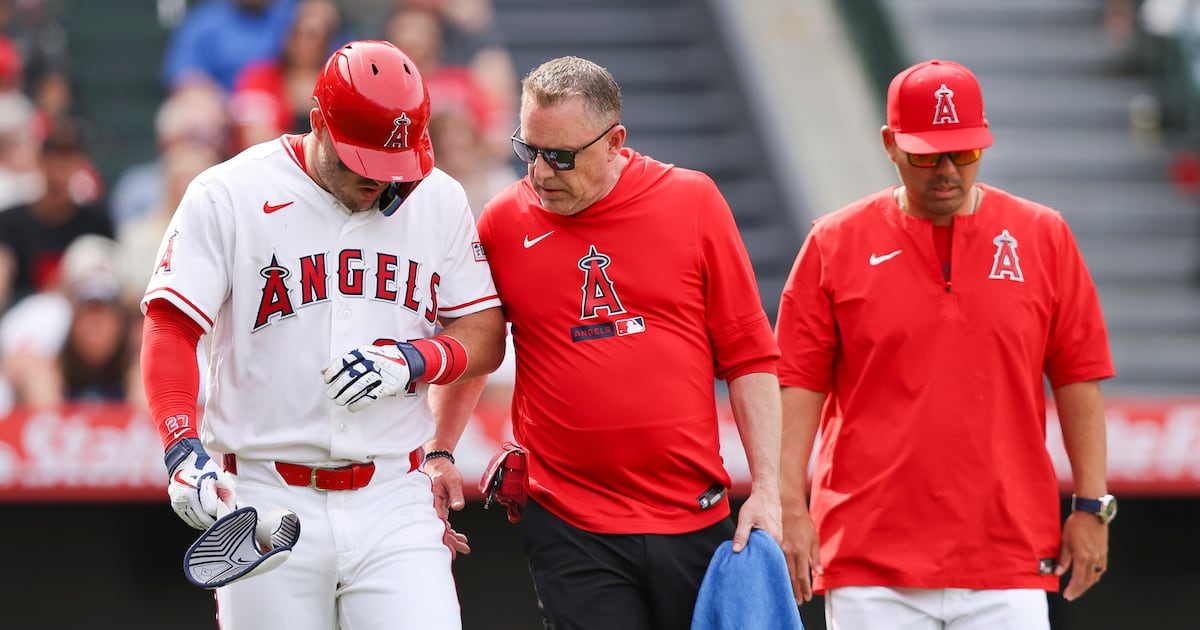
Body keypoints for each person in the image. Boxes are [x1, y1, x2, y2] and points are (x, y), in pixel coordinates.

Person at [139, 40, 505, 629]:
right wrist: (182, 448)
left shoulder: (438, 198)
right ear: (319, 124)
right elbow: (170, 327)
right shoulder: (228, 193)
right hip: (266, 496)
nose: (381, 182)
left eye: (397, 165)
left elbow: (485, 332)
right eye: (365, 163)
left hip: (394, 495)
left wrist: (417, 358)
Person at [774, 58, 1117, 629]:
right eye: (927, 154)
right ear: (890, 144)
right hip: (869, 558)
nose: (948, 170)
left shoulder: (1044, 235)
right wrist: (788, 503)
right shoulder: (833, 242)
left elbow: (1079, 376)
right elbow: (797, 383)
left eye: (965, 152)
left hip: (1006, 557)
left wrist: (1091, 507)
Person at [475, 55, 783, 630]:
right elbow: (474, 344)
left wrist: (769, 491)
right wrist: (441, 453)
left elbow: (750, 355)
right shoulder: (502, 222)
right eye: (529, 149)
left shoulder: (693, 201)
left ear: (615, 141)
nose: (541, 173)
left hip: (692, 520)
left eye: (561, 156)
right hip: (569, 525)